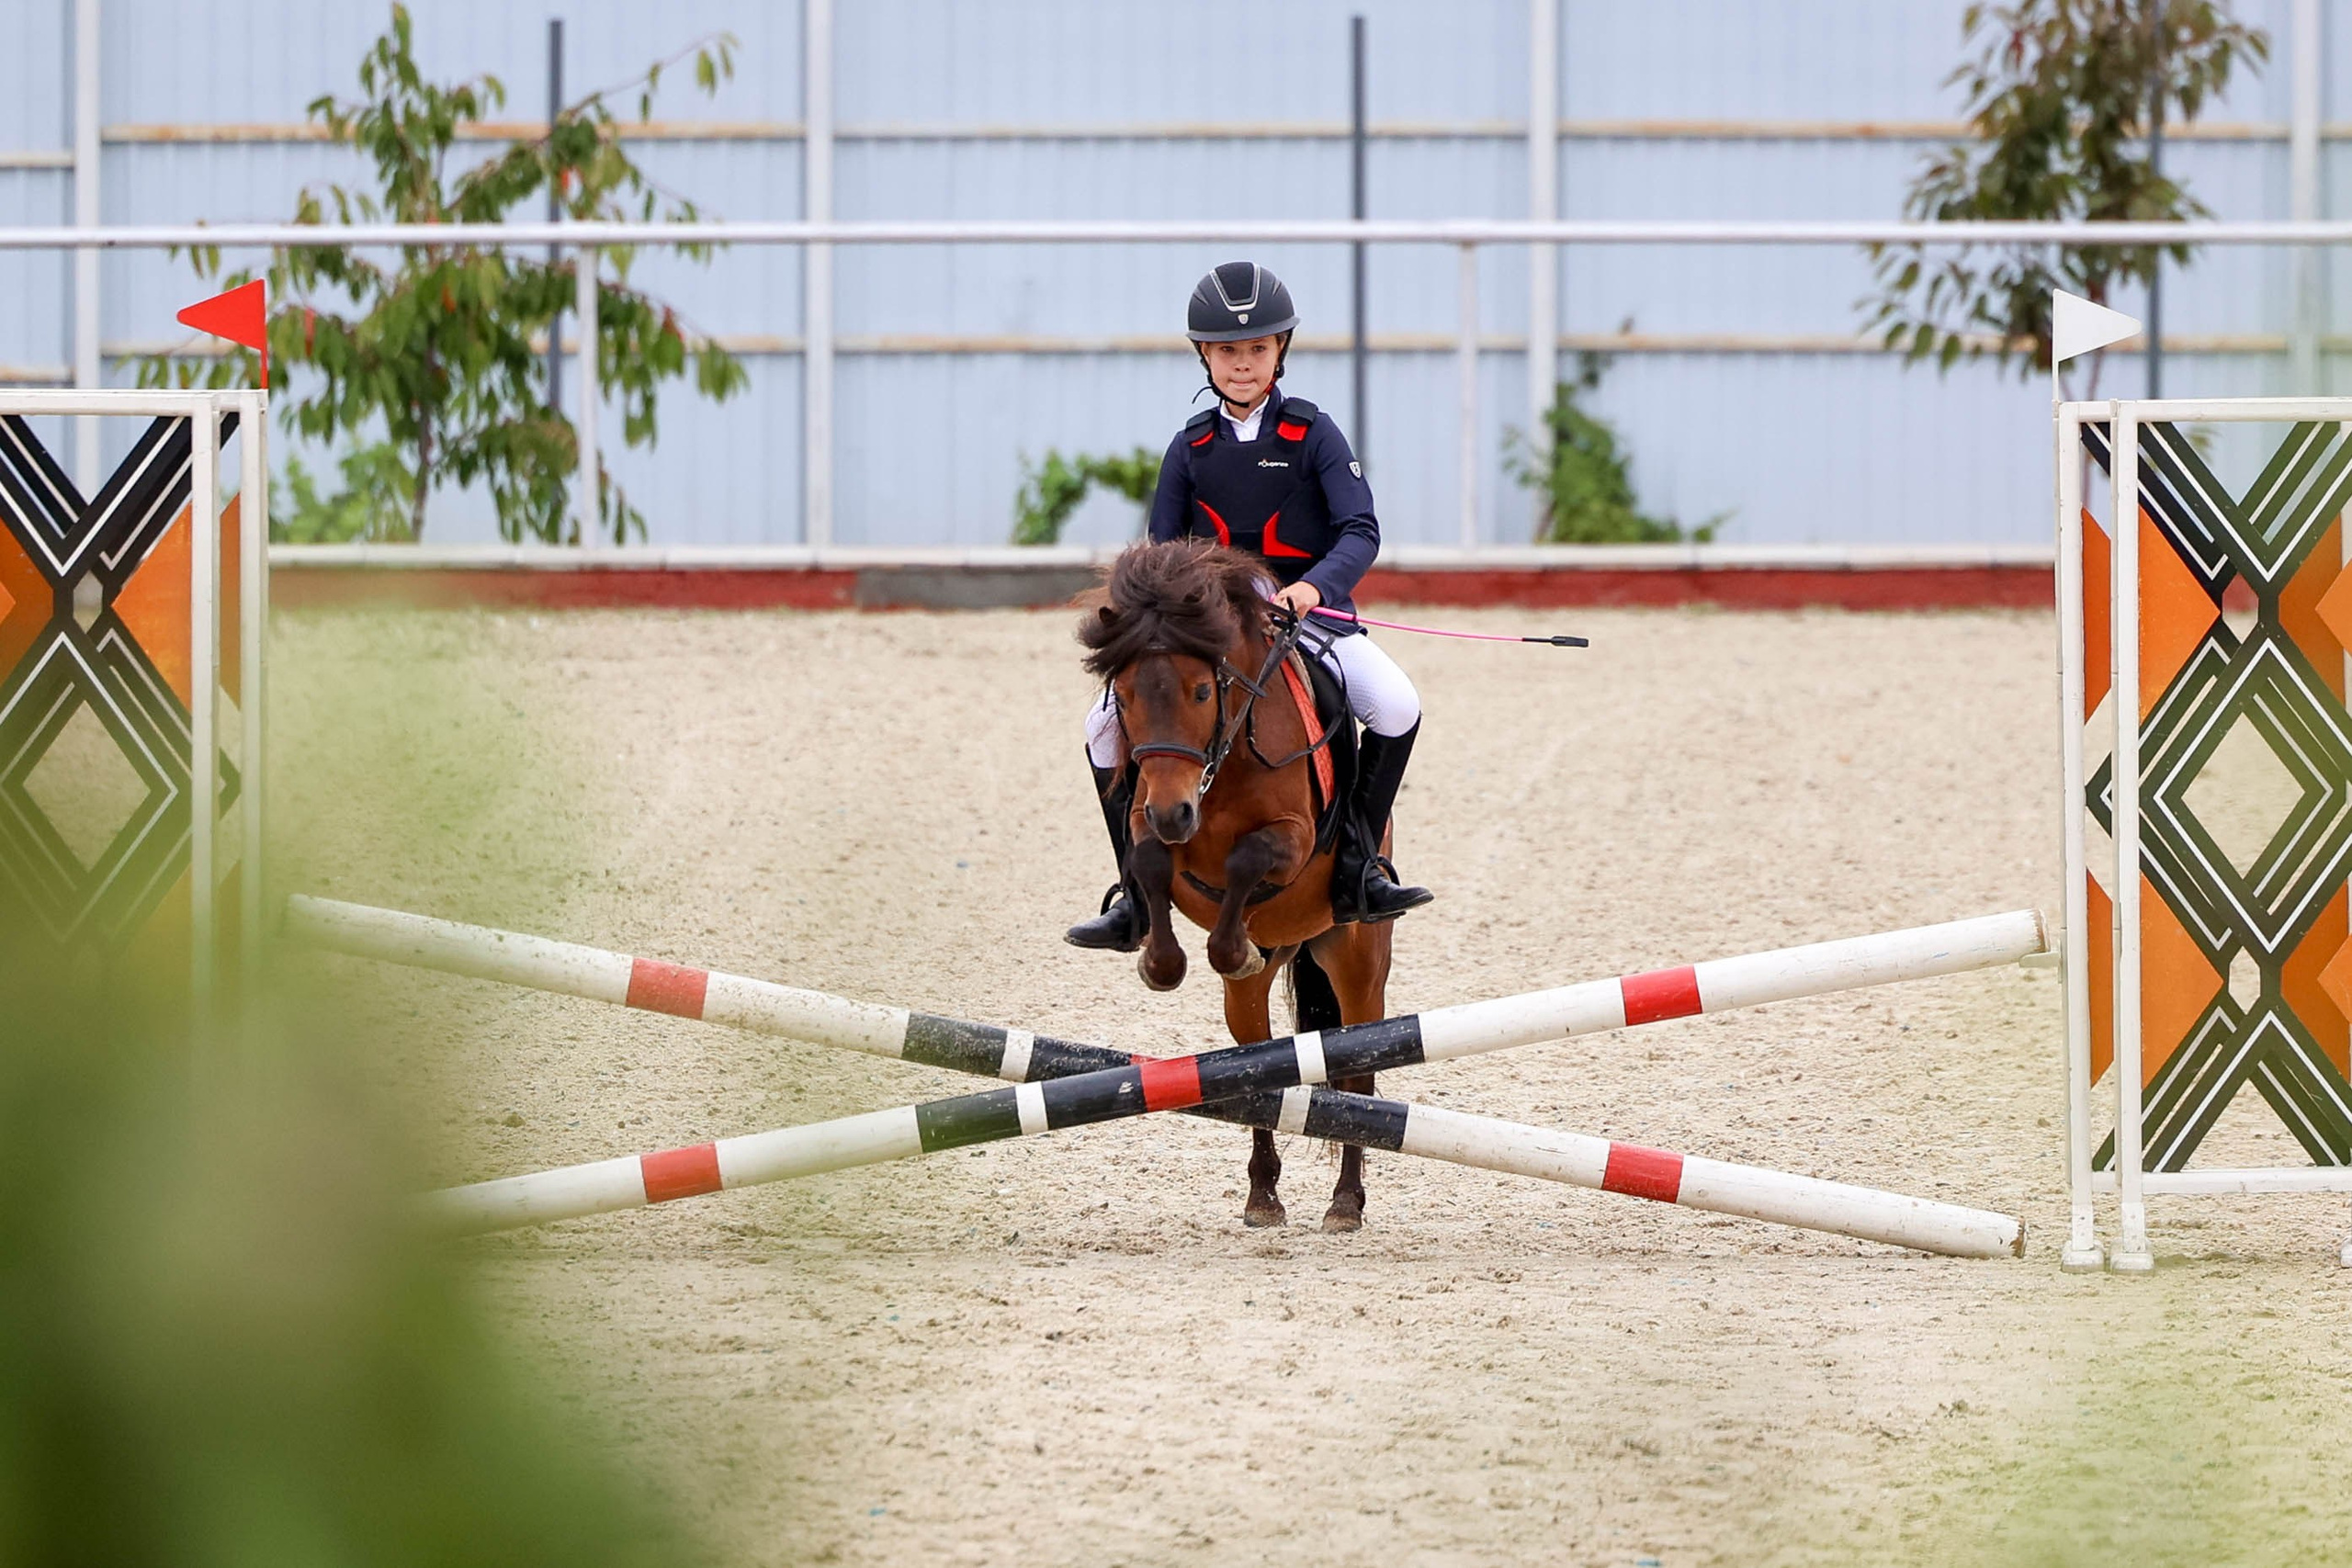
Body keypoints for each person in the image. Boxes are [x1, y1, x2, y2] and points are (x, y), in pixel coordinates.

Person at [1067, 260, 1432, 951]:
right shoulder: (1190, 448)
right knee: (1101, 726)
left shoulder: (1314, 434)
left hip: (1309, 618)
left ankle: (1360, 863)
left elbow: (1361, 529)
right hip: (1209, 632)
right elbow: (1160, 552)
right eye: (1229, 351)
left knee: (1396, 703)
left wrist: (1309, 589)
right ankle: (1133, 897)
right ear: (1206, 355)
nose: (1243, 364)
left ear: (1280, 352)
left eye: (1257, 349)